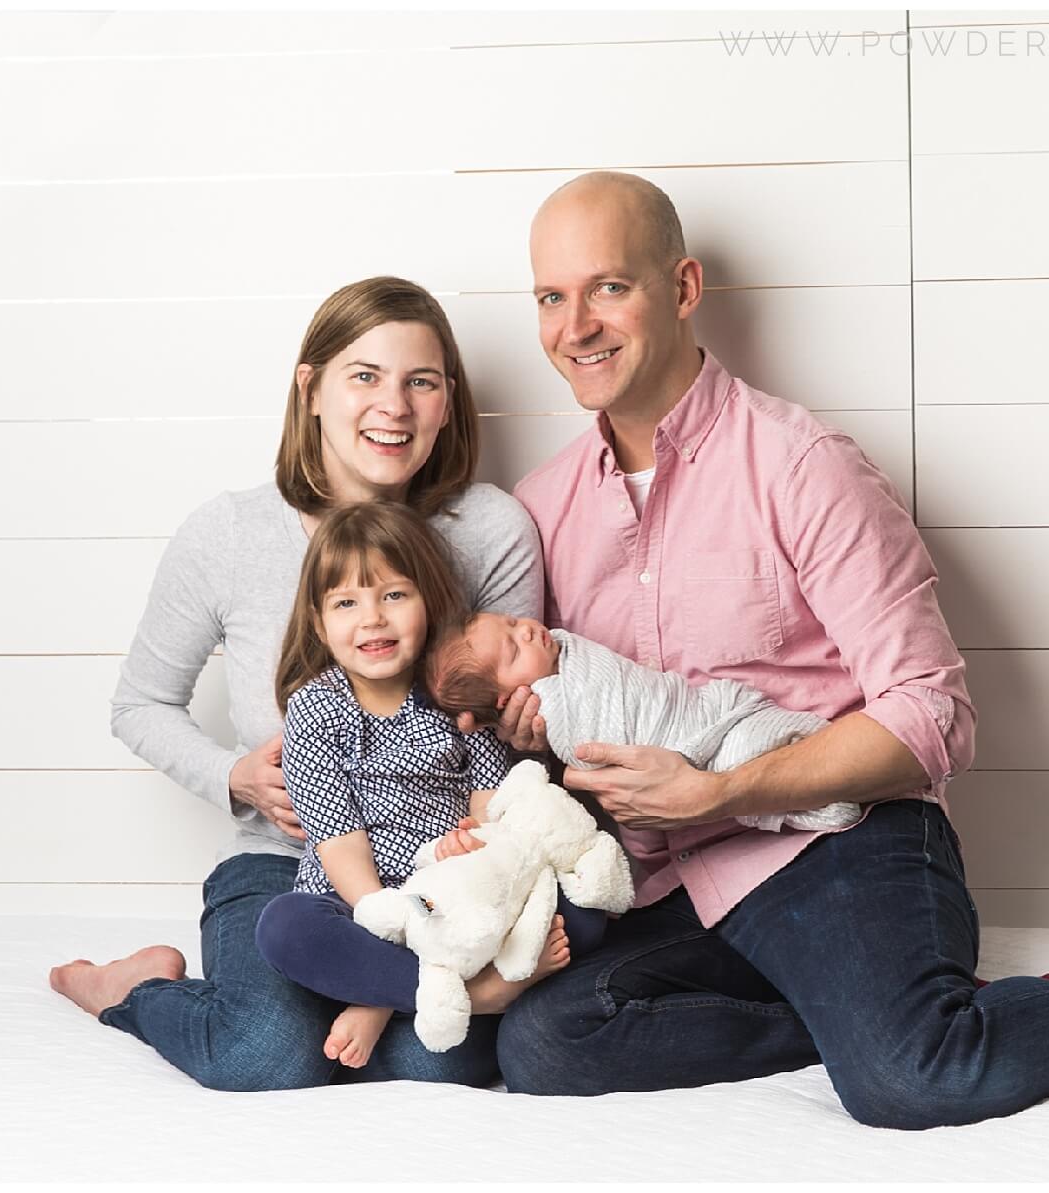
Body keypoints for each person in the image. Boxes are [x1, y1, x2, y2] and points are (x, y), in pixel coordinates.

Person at [476, 171, 1049, 1128]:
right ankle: (885, 1010)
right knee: (544, 1042)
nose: (576, 326)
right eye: (551, 297)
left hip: (836, 841)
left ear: (681, 289)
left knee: (912, 1076)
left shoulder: (803, 467)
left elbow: (931, 715)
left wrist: (722, 789)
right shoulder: (545, 508)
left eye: (608, 288)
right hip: (673, 879)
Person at [48, 276, 550, 1091]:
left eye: (421, 381)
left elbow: (508, 711)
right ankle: (133, 988)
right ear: (309, 386)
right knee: (262, 1050)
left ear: (448, 403)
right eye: (365, 375)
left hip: (440, 867)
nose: (394, 404)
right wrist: (234, 776)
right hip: (284, 868)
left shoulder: (489, 530)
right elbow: (140, 703)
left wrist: (521, 745)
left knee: (441, 1057)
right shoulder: (229, 532)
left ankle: (375, 999)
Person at [249, 503, 605, 1068]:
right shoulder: (315, 710)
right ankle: (461, 990)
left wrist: (478, 852)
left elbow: (492, 808)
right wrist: (390, 922)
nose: (372, 619)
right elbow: (338, 843)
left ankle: (390, 995)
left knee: (586, 902)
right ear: (320, 623)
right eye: (347, 603)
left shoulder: (453, 697)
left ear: (428, 603)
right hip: (365, 908)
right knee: (285, 926)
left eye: (393, 595)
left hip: (459, 892)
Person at [425, 611, 857, 832]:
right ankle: (831, 789)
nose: (527, 632)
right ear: (509, 699)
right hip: (691, 745)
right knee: (751, 754)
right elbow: (595, 755)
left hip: (703, 711)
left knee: (786, 743)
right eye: (514, 651)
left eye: (514, 622)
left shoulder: (563, 650)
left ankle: (846, 766)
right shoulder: (553, 705)